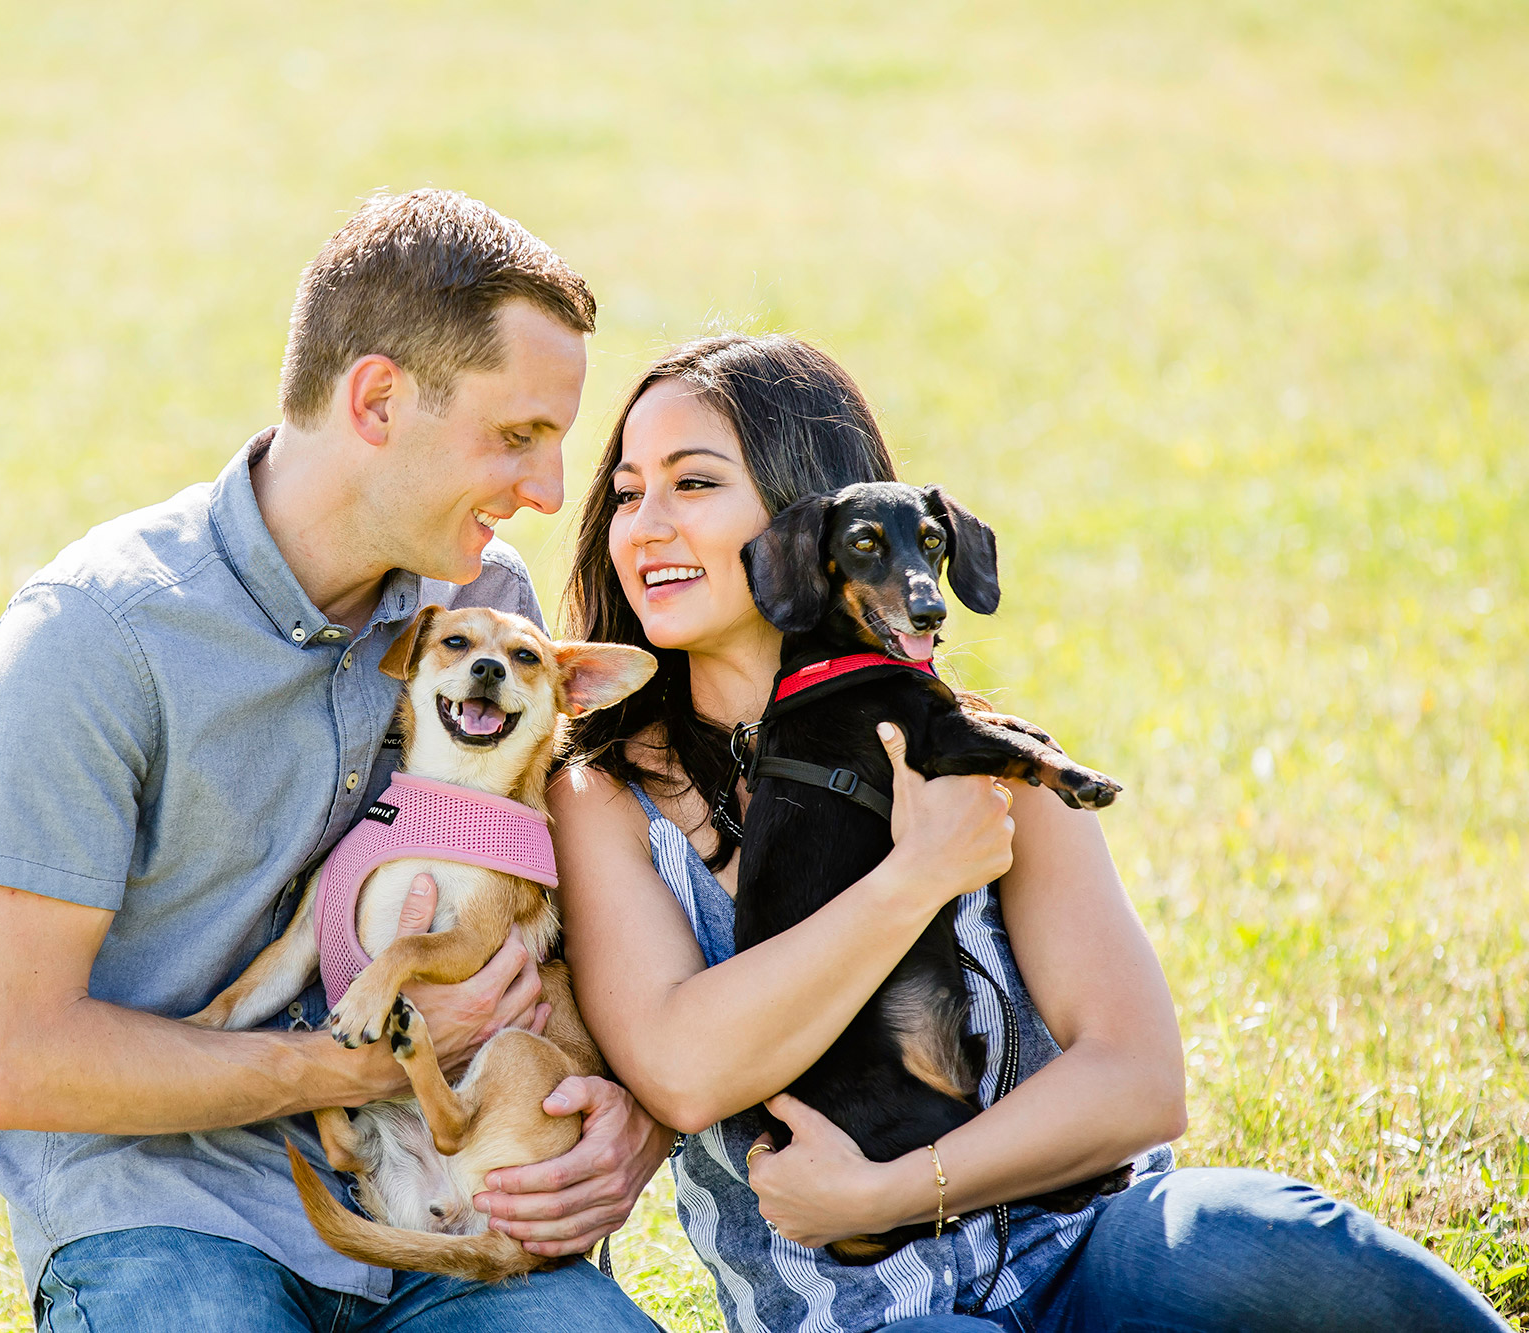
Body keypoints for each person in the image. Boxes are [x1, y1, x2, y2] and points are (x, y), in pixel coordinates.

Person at [548, 332, 1511, 1331]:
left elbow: (1136, 1080)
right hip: (869, 1318)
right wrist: (916, 874)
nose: (642, 526)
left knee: (1257, 1231)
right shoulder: (607, 795)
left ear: (811, 513)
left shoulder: (987, 755)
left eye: (690, 484)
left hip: (1092, 1248)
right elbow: (683, 1067)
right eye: (624, 493)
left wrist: (892, 1191)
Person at [0, 190, 672, 1332]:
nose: (547, 493)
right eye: (516, 436)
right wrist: (352, 1071)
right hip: (171, 1206)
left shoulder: (481, 610)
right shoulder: (95, 641)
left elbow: (548, 923)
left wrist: (634, 1122)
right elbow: (19, 1059)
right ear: (378, 400)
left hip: (448, 1217)